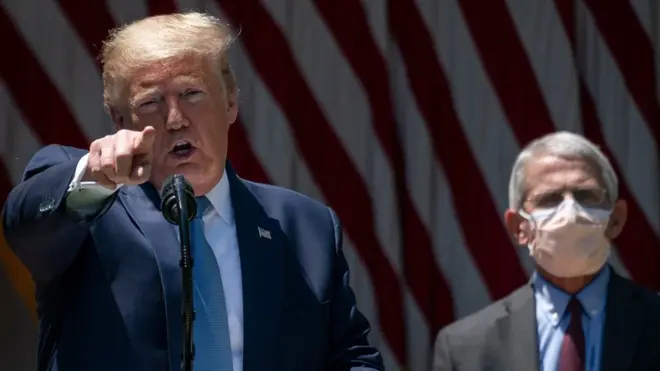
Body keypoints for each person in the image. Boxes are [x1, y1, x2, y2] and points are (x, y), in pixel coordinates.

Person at [1, 12, 383, 371]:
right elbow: (26, 225)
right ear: (120, 121)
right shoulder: (89, 202)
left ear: (231, 101)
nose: (176, 119)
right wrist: (94, 177)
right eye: (151, 102)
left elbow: (350, 355)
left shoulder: (305, 226)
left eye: (192, 94)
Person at [432, 132, 660, 371]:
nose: (570, 212)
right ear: (519, 227)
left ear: (616, 219)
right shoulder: (466, 348)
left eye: (586, 196)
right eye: (549, 199)